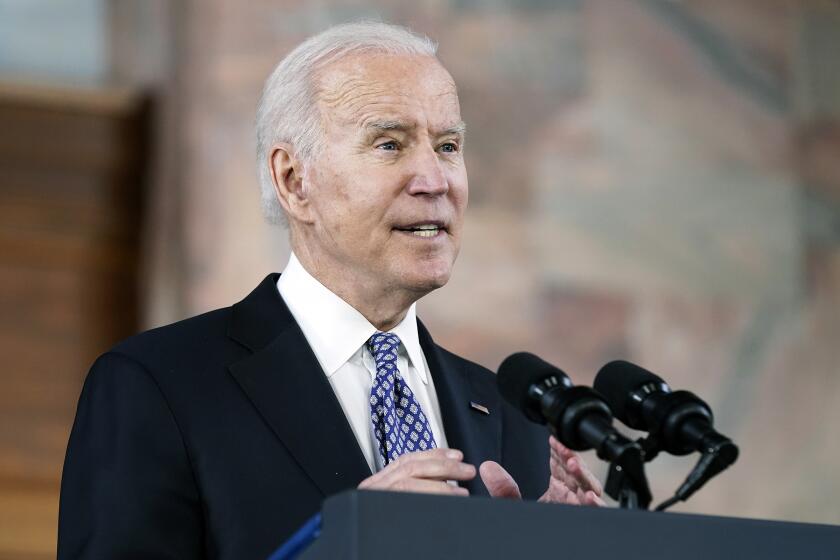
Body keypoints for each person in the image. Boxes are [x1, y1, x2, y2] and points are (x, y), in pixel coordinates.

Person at [57, 21, 604, 560]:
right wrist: (334, 549)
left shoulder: (513, 417)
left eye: (447, 145)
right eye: (390, 144)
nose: (435, 180)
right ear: (294, 181)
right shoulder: (158, 386)